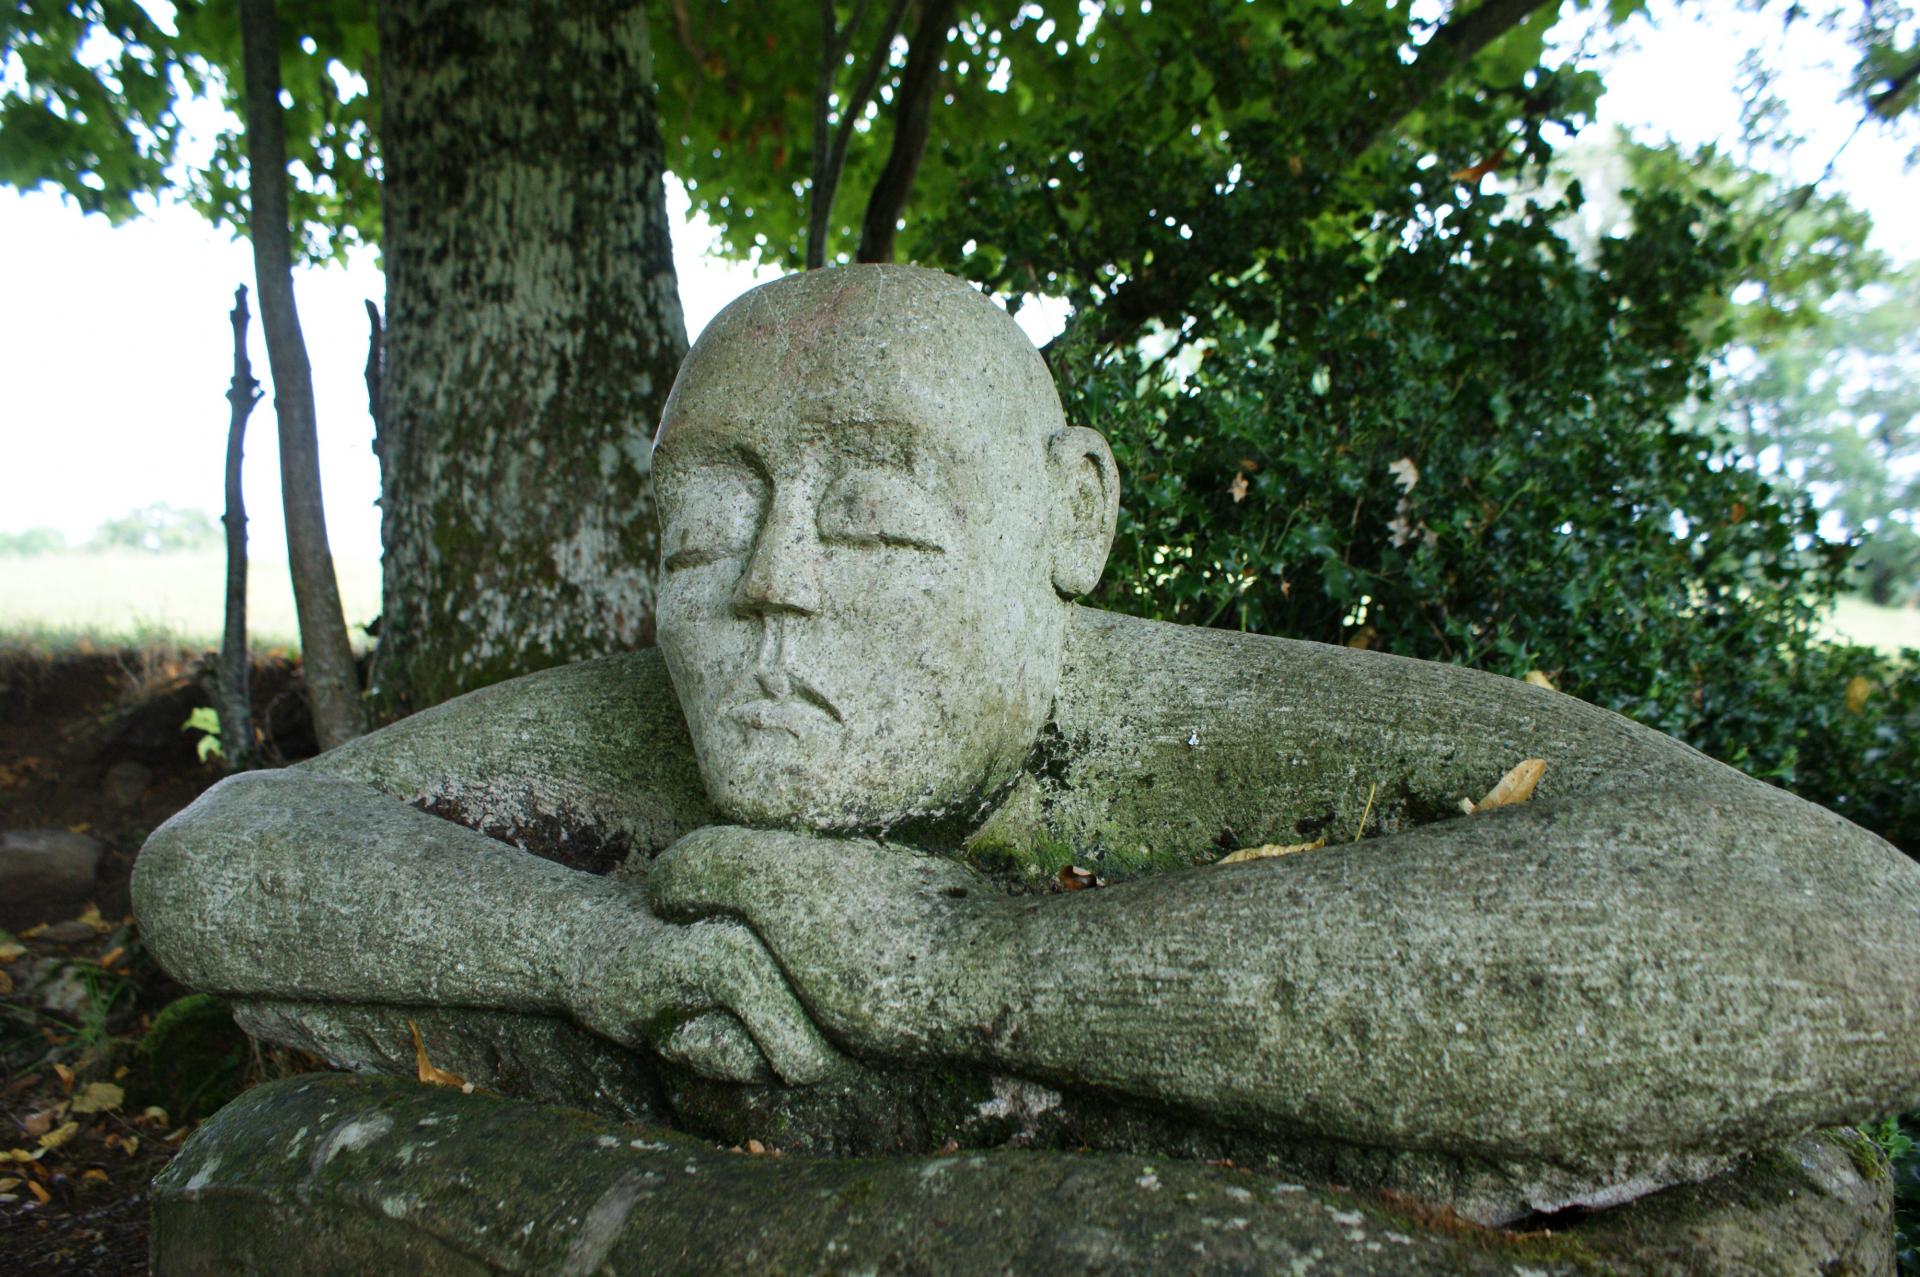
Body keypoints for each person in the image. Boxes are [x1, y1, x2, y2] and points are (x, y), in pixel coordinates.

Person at [133, 265, 1920, 1222]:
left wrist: (985, 964)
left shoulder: (1206, 722)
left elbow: (1856, 939)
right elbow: (220, 857)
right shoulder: (634, 723)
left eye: (878, 518)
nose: (771, 585)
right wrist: (587, 943)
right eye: (702, 526)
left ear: (1067, 520)